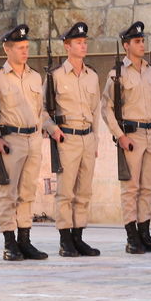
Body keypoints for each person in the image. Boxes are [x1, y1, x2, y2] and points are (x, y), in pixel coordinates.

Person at [0, 22, 50, 261]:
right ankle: (9, 242)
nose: (25, 51)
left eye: (27, 46)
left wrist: (41, 132)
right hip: (11, 140)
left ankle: (24, 240)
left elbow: (41, 110)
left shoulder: (35, 77)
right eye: (20, 47)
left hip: (33, 139)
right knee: (9, 192)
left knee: (28, 192)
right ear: (7, 49)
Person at [102, 20, 151, 254]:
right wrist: (120, 136)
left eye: (143, 41)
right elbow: (107, 108)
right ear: (126, 46)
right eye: (137, 41)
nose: (142, 45)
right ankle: (132, 236)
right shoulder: (117, 74)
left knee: (147, 188)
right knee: (130, 188)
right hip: (130, 136)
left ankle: (145, 233)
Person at [48, 20, 101, 257]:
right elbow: (41, 110)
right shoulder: (56, 76)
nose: (83, 46)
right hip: (67, 138)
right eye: (78, 42)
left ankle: (79, 237)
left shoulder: (92, 76)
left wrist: (96, 139)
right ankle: (65, 239)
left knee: (84, 192)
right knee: (66, 192)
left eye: (84, 42)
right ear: (67, 46)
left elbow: (96, 110)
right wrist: (52, 129)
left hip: (87, 138)